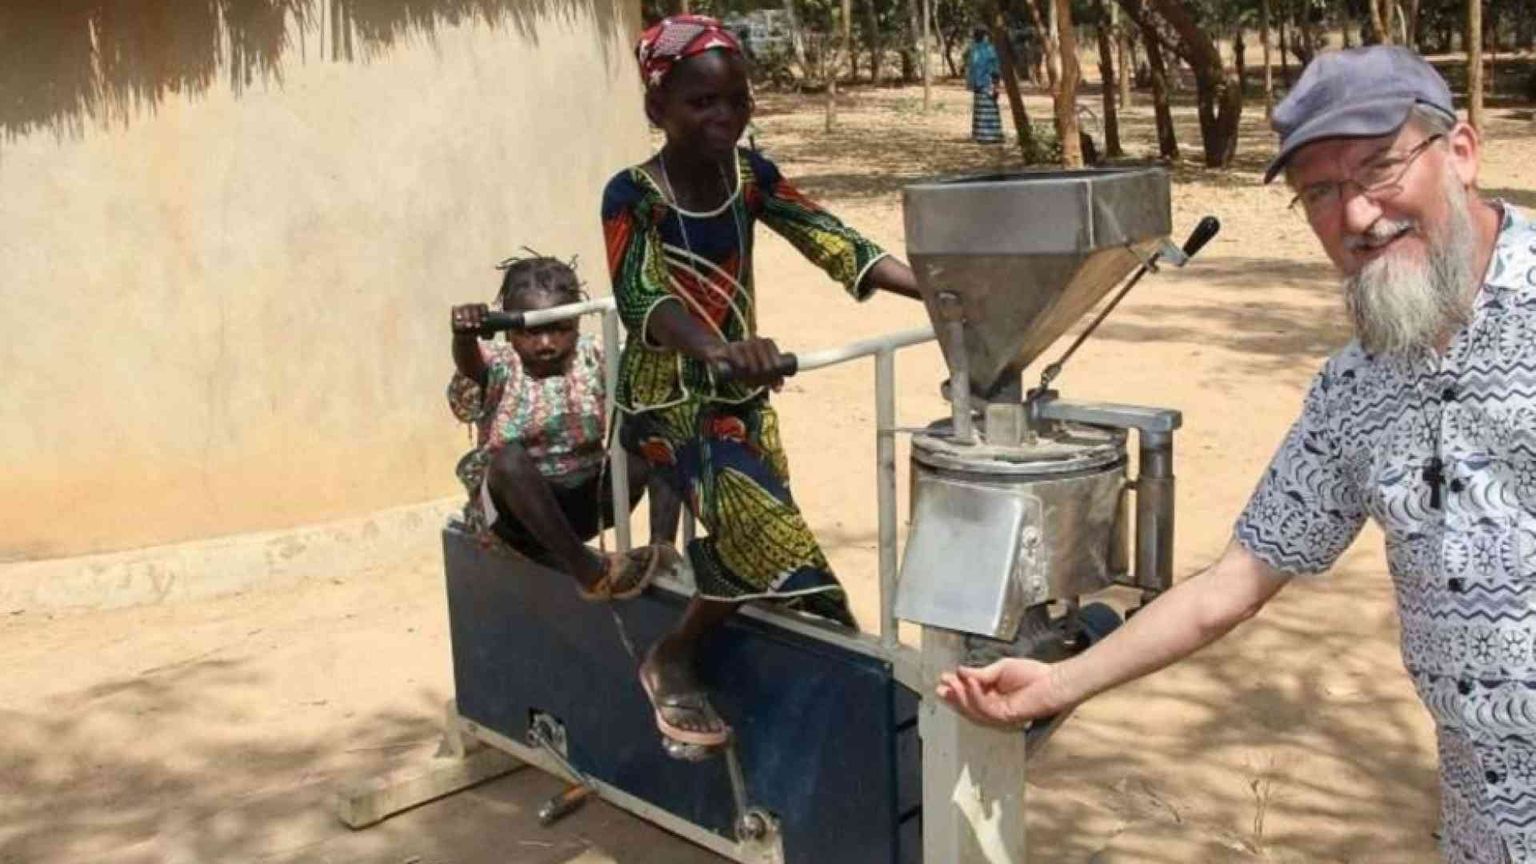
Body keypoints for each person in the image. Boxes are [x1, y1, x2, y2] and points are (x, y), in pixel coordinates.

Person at [937, 45, 1536, 863]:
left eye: (1380, 168)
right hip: (1484, 822)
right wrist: (1056, 684)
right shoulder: (1357, 385)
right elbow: (1231, 585)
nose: (1358, 216)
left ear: (1461, 152)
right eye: (1320, 192)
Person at [604, 15, 921, 750]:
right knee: (777, 546)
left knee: (769, 542)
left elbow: (832, 239)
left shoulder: (751, 177)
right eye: (701, 102)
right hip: (664, 402)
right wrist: (717, 349)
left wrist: (938, 291)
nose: (725, 116)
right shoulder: (632, 195)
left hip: (738, 400)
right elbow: (643, 298)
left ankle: (822, 709)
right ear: (657, 108)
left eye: (737, 100)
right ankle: (672, 656)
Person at [449, 254, 681, 600]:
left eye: (560, 329)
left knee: (658, 427)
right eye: (532, 331)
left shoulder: (595, 355)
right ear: (510, 330)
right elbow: (470, 365)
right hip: (519, 515)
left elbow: (648, 371)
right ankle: (590, 574)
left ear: (577, 323)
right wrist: (464, 337)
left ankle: (662, 548)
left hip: (586, 501)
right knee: (508, 461)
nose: (546, 343)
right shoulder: (499, 364)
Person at [965, 27, 1003, 145]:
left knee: (980, 109)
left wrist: (972, 84)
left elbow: (971, 69)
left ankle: (980, 135)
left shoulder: (974, 50)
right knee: (990, 108)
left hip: (978, 84)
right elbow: (995, 68)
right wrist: (996, 85)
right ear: (985, 36)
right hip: (988, 83)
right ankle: (991, 135)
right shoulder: (990, 49)